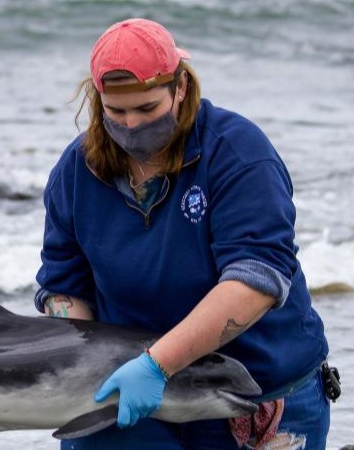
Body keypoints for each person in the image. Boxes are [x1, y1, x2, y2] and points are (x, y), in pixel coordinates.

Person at [35, 18, 333, 449]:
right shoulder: (77, 170)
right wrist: (85, 372)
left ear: (180, 89)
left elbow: (256, 279)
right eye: (115, 111)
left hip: (252, 391)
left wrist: (157, 366)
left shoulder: (238, 154)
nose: (131, 124)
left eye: (147, 109)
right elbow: (64, 287)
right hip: (131, 394)